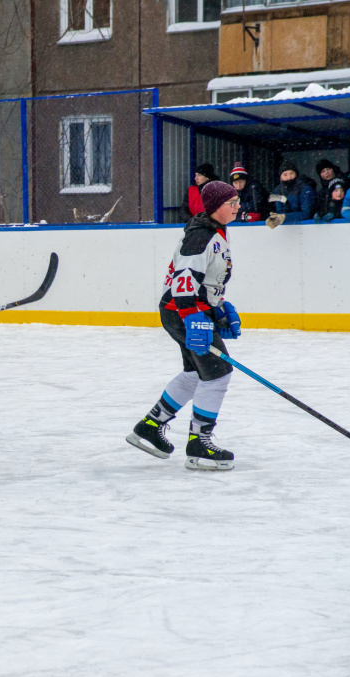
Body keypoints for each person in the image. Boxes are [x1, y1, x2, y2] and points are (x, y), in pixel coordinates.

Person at [126, 181, 240, 471]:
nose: (238, 206)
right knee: (217, 375)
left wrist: (220, 309)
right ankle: (199, 444)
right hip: (183, 312)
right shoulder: (201, 236)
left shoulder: (215, 231)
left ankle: (150, 427)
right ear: (215, 207)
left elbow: (208, 279)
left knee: (195, 373)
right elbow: (184, 281)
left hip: (186, 312)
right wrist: (193, 319)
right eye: (232, 202)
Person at [266, 160, 316, 228]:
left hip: (308, 227)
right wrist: (276, 218)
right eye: (285, 175)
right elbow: (280, 210)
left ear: (296, 174)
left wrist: (285, 217)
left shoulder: (305, 188)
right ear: (281, 178)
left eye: (291, 173)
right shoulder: (278, 190)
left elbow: (306, 213)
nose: (289, 177)